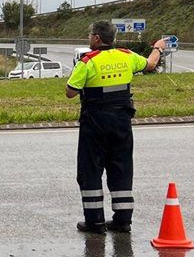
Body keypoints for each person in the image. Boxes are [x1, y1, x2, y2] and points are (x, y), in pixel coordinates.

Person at [65, 21, 167, 234]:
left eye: (89, 35)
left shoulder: (87, 61)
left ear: (96, 39)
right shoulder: (127, 55)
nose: (88, 38)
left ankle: (95, 222)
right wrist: (157, 47)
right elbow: (150, 65)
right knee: (121, 169)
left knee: (91, 170)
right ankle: (122, 221)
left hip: (95, 124)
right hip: (121, 122)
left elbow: (70, 91)